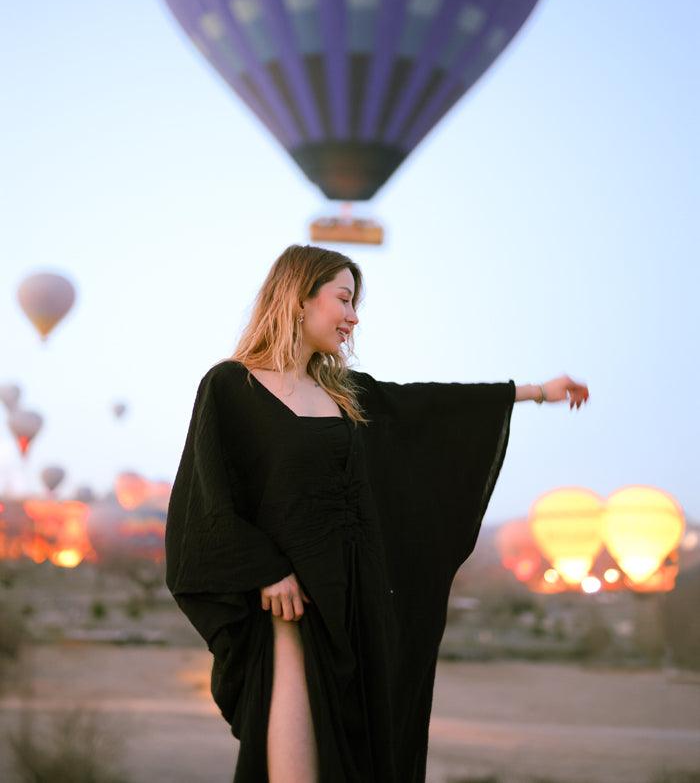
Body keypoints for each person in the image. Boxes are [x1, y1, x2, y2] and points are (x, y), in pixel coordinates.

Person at [164, 244, 589, 783]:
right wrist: (265, 568)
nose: (353, 316)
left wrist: (534, 393)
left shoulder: (346, 394)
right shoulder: (231, 387)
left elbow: (429, 409)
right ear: (298, 298)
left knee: (368, 747)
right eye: (343, 299)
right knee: (296, 759)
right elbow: (205, 501)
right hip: (290, 605)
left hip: (361, 597)